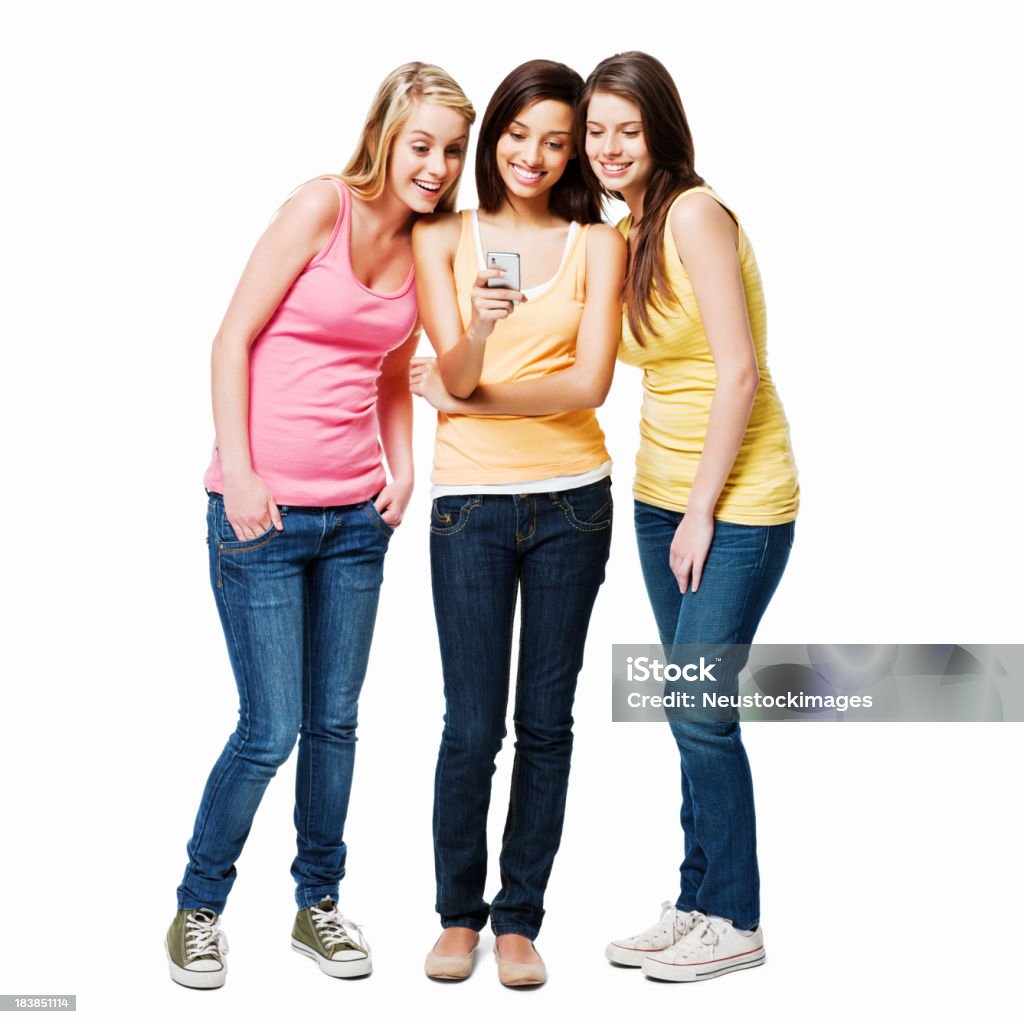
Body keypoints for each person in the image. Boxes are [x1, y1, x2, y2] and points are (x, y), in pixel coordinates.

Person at [164, 62, 475, 990]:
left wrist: (403, 465)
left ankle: (318, 906)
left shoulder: (429, 247)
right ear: (384, 133)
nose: (435, 165)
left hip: (354, 521)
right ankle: (198, 907)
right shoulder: (319, 208)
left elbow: (390, 368)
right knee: (271, 727)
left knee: (335, 724)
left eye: (451, 151)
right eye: (421, 144)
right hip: (259, 516)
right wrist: (245, 475)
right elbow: (231, 339)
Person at [579, 51, 799, 983]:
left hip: (736, 503)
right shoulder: (629, 232)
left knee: (701, 710)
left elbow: (738, 369)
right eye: (595, 132)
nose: (609, 148)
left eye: (627, 129)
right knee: (685, 707)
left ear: (661, 129)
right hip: (659, 497)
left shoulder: (696, 214)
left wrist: (703, 512)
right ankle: (698, 898)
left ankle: (736, 916)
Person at [408, 59, 625, 987]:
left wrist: (472, 402)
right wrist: (483, 336)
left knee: (546, 721)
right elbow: (451, 373)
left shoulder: (598, 243)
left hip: (576, 500)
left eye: (558, 141)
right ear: (494, 133)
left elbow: (591, 386)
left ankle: (518, 921)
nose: (534, 156)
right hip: (471, 511)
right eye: (518, 134)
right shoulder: (443, 235)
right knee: (470, 724)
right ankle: (459, 916)